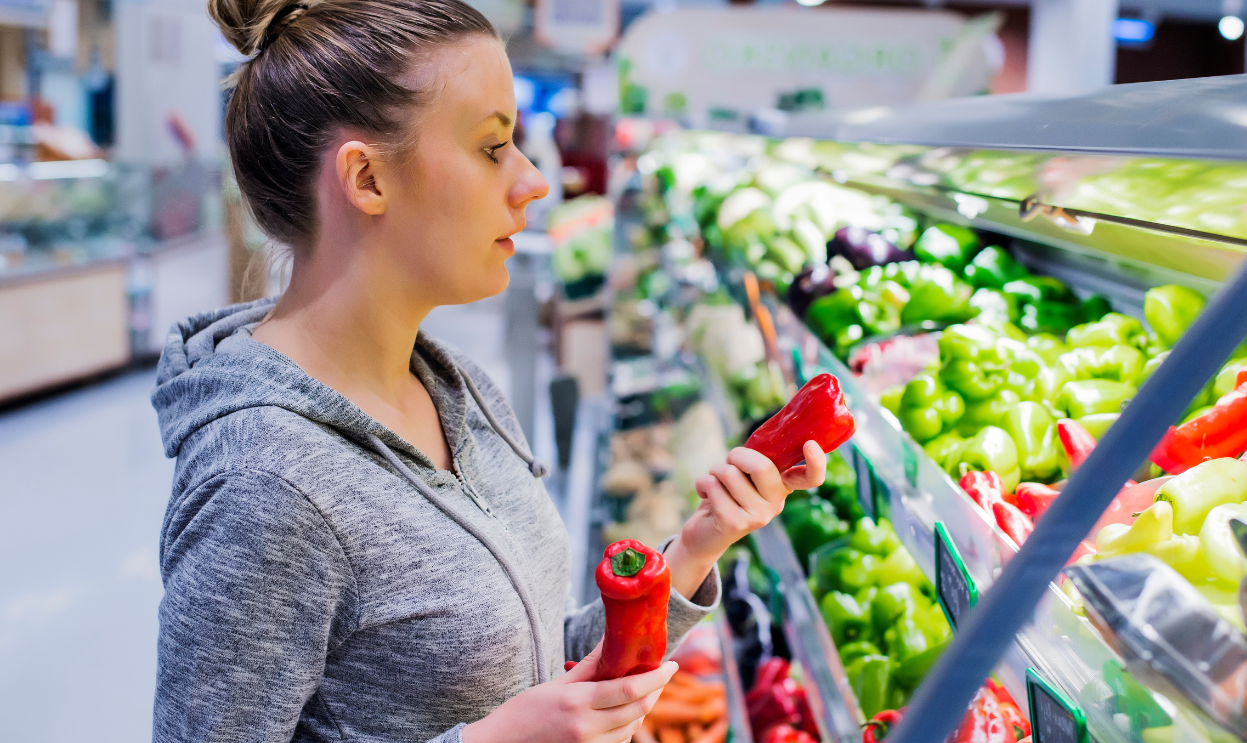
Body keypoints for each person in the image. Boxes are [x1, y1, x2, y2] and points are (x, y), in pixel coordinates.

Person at [151, 1, 828, 741]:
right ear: (367, 178)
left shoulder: (457, 387)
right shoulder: (264, 483)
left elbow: (534, 678)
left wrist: (697, 544)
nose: (533, 181)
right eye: (492, 147)